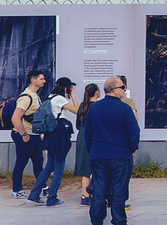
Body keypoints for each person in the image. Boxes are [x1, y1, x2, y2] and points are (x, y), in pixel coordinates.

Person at [85, 75, 141, 225]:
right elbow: (134, 132)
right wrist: (131, 148)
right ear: (115, 90)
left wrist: (93, 150)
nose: (124, 89)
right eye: (123, 87)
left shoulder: (94, 107)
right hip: (121, 155)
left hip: (98, 154)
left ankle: (96, 220)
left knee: (98, 190)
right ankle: (119, 220)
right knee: (118, 191)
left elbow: (87, 132)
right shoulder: (125, 108)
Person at [28, 76, 78, 206]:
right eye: (69, 87)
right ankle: (52, 198)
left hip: (50, 134)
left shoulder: (50, 97)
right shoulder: (60, 99)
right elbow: (78, 111)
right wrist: (72, 96)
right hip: (60, 135)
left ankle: (34, 194)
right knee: (59, 167)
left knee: (49, 166)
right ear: (66, 87)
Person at [10, 69, 47, 200]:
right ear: (33, 80)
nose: (44, 81)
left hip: (34, 135)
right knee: (21, 162)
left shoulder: (35, 95)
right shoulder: (26, 97)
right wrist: (24, 134)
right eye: (41, 79)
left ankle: (43, 187)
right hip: (26, 135)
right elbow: (15, 118)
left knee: (38, 162)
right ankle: (17, 189)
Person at [75, 83, 101, 206]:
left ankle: (85, 195)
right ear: (97, 92)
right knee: (96, 167)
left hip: (81, 136)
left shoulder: (82, 105)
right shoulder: (97, 107)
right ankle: (90, 195)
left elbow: (77, 124)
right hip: (93, 137)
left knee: (85, 168)